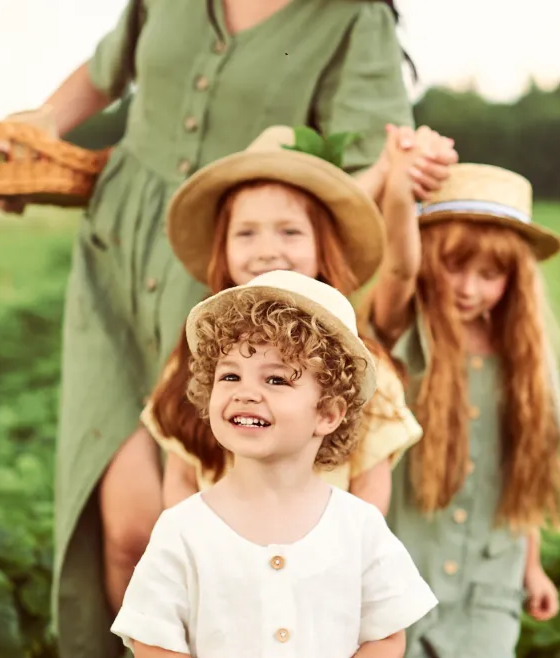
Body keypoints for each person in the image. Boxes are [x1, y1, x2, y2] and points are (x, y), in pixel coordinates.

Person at [0, 1, 458, 658]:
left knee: (179, 522)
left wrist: (404, 176)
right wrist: (38, 129)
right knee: (126, 524)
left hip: (230, 291)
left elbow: (367, 170)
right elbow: (107, 68)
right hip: (122, 254)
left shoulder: (351, 15)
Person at [110, 269, 439, 658]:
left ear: (328, 413)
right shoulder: (184, 529)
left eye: (277, 379)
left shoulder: (358, 526)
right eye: (229, 375)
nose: (246, 392)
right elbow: (153, 641)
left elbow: (386, 635)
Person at [139, 125, 454, 514]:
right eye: (246, 233)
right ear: (222, 248)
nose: (268, 250)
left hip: (319, 567)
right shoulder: (199, 355)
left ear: (323, 248)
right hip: (220, 566)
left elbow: (369, 492)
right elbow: (182, 480)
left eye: (290, 232)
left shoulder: (357, 364)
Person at [365, 145, 560, 658]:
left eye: (490, 275)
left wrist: (532, 568)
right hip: (407, 575)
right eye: (455, 266)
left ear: (515, 281)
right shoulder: (407, 338)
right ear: (427, 257)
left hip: (490, 585)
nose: (468, 288)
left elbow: (521, 476)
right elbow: (395, 269)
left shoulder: (524, 364)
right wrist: (398, 190)